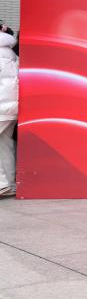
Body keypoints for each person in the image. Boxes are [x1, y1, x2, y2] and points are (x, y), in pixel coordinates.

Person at [0, 24, 17, 198]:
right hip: (12, 107)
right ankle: (9, 185)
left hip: (1, 106)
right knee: (4, 146)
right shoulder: (10, 52)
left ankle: (2, 184)